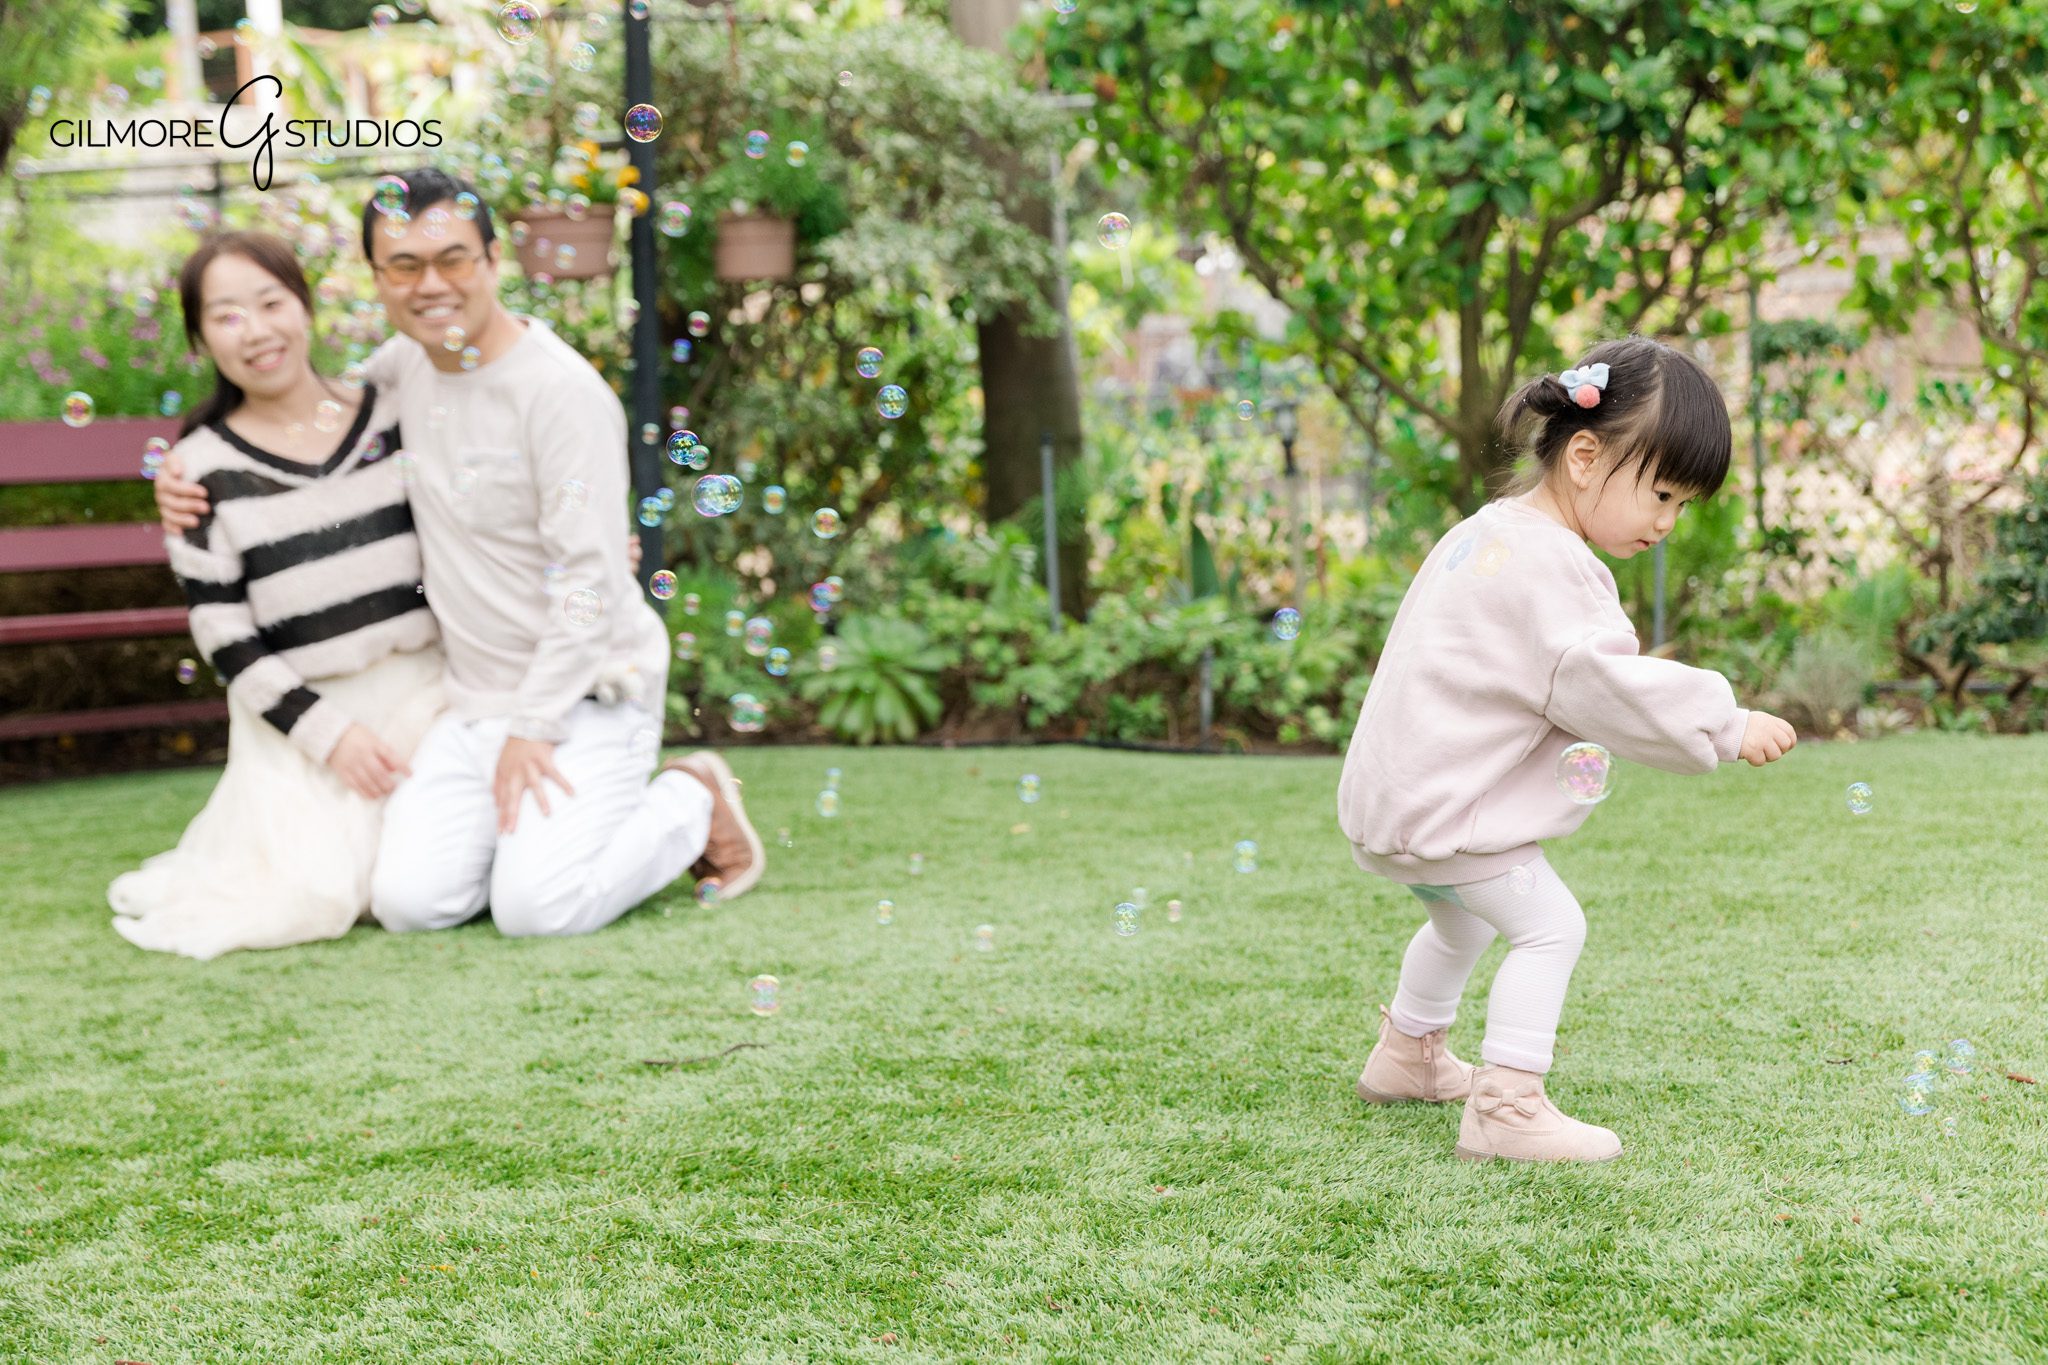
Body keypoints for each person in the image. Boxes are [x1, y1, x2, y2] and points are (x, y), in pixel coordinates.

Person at [154, 166, 762, 940]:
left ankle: (691, 797)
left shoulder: (559, 395)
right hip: (469, 701)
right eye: (403, 265)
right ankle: (536, 839)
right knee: (412, 902)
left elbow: (589, 581)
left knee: (538, 909)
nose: (429, 284)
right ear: (377, 278)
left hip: (585, 691)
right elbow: (313, 417)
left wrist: (536, 726)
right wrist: (177, 477)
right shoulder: (400, 372)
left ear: (493, 262)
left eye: (453, 259)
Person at [1337, 336, 1797, 1164]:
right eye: (1660, 493)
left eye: (1683, 505)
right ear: (1584, 455)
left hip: (1401, 804)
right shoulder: (1553, 568)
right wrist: (1725, 723)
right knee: (1551, 925)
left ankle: (1408, 1052)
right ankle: (1507, 1104)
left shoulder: (1486, 532)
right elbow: (1606, 686)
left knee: (1462, 922)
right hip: (1452, 810)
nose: (1667, 521)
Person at [111, 229, 445, 959]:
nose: (256, 330)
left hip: (435, 697)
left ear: (306, 308)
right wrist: (331, 735)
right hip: (304, 727)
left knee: (438, 878)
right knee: (322, 895)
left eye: (271, 302)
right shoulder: (199, 471)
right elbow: (226, 637)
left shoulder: (393, 416)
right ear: (199, 341)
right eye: (227, 316)